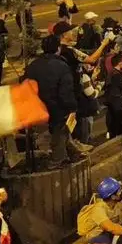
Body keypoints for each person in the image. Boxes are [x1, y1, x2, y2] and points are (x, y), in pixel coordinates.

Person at [22, 35, 82, 168]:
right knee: (59, 133)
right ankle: (56, 161)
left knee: (62, 132)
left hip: (38, 108)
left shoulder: (33, 66)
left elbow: (24, 85)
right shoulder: (62, 66)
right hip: (57, 109)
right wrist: (72, 108)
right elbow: (66, 92)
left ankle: (74, 152)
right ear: (58, 48)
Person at [77, 177, 122, 244]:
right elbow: (110, 227)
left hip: (110, 232)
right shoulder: (98, 209)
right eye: (119, 191)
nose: (121, 191)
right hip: (97, 236)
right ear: (113, 197)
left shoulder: (120, 202)